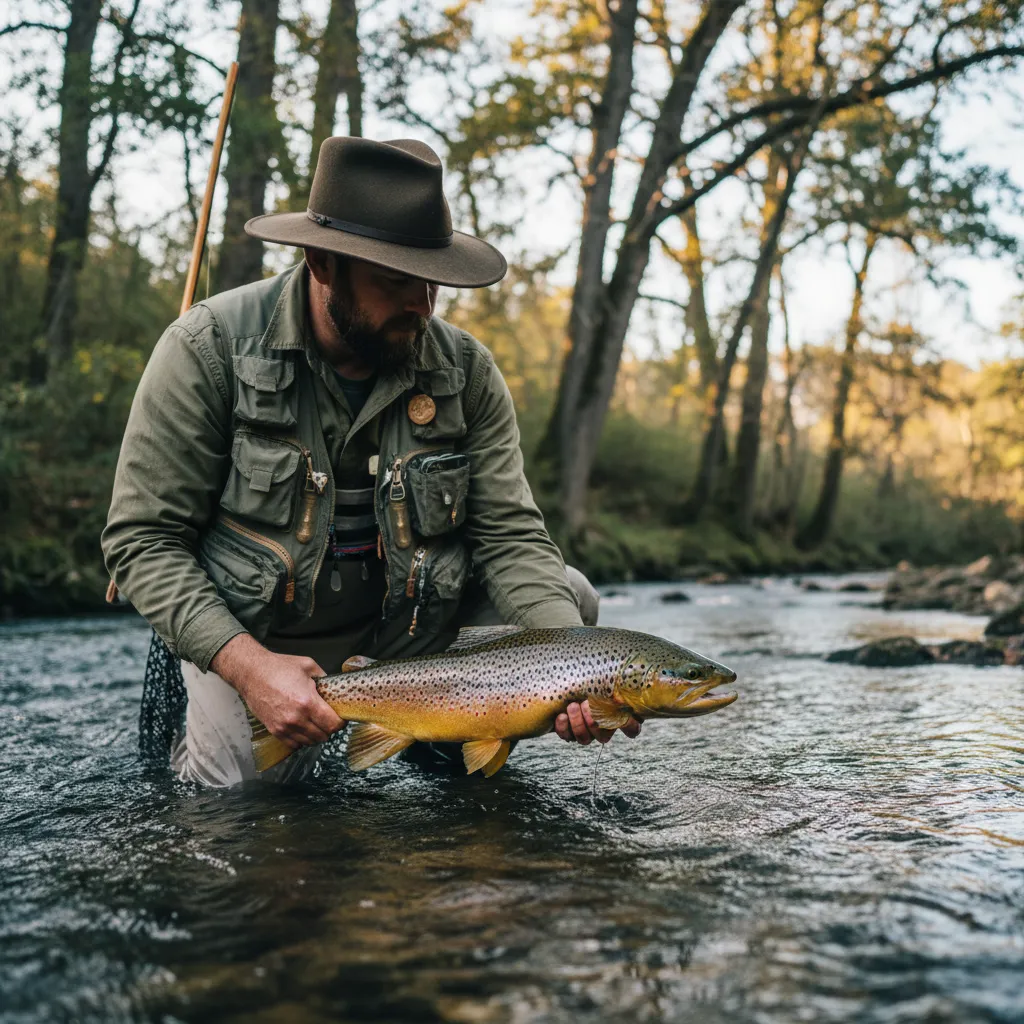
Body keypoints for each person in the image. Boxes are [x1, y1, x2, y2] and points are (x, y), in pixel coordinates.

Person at [102, 136, 641, 787]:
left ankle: (432, 738)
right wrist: (246, 665)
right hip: (263, 637)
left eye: (431, 282)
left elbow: (510, 534)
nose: (422, 304)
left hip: (413, 633)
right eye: (395, 280)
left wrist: (573, 674)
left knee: (571, 604)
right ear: (322, 263)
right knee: (243, 805)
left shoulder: (464, 369)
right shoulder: (207, 349)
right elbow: (142, 542)